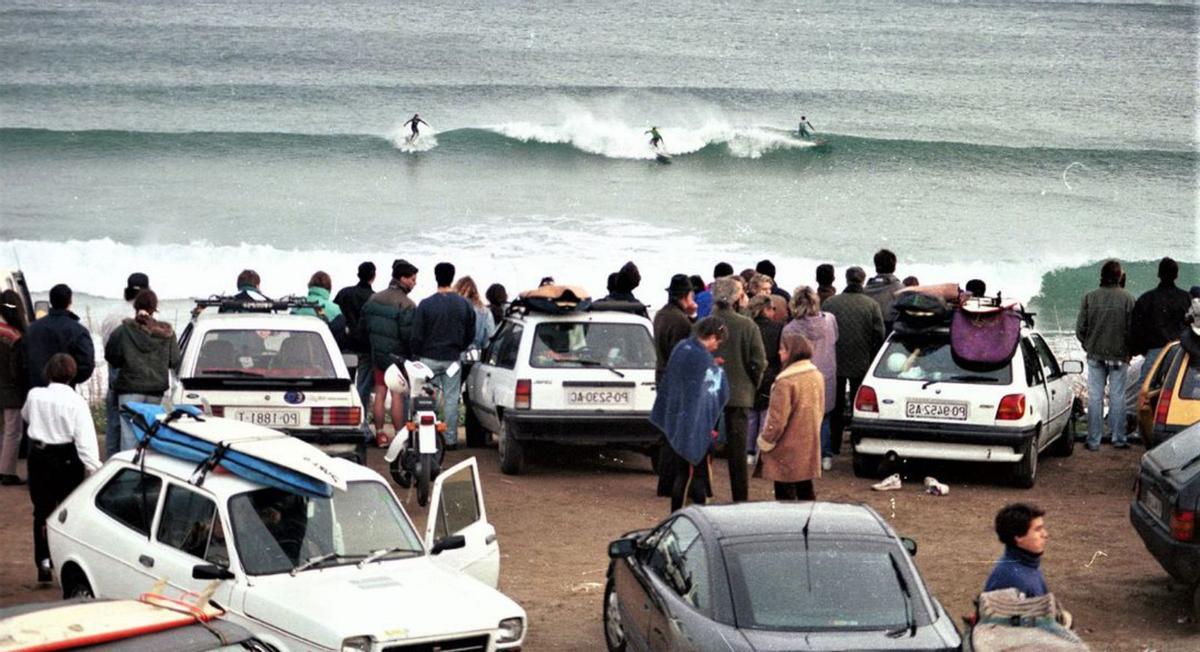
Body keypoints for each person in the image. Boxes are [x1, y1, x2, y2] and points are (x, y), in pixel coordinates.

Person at [22, 354, 101, 582]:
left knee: (41, 510)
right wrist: (95, 468)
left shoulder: (35, 395)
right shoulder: (77, 402)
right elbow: (85, 440)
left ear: (48, 371)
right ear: (73, 374)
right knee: (67, 512)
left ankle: (43, 562)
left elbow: (25, 415)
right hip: (67, 457)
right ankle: (65, 559)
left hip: (39, 455)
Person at [650, 317, 730, 512]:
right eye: (717, 342)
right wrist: (715, 368)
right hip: (694, 424)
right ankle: (695, 516)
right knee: (696, 474)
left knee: (682, 472)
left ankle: (675, 513)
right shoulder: (702, 359)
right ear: (712, 337)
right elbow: (715, 390)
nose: (716, 347)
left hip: (676, 418)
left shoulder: (682, 347)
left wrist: (711, 364)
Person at [709, 277, 766, 503]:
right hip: (740, 392)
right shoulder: (747, 325)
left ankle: (702, 491)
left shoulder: (704, 324)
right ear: (736, 297)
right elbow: (758, 361)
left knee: (703, 444)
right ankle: (739, 497)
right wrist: (753, 383)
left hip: (710, 392)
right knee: (737, 452)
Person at [104, 290, 181, 451]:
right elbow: (174, 361)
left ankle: (129, 471)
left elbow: (111, 356)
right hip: (155, 390)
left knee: (128, 437)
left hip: (129, 389)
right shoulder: (167, 334)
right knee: (149, 435)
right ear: (155, 308)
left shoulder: (123, 330)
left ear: (135, 306)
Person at [821, 267, 885, 457]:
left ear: (846, 279)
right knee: (859, 406)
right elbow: (879, 334)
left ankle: (834, 445)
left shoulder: (831, 303)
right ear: (863, 281)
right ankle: (857, 445)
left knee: (836, 405)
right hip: (861, 361)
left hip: (835, 360)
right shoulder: (871, 305)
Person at [411, 262, 476, 448]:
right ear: (452, 277)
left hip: (428, 358)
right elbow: (470, 333)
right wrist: (459, 347)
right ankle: (450, 439)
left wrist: (417, 353)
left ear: (435, 277)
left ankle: (423, 435)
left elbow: (416, 335)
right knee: (451, 398)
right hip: (452, 359)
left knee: (424, 396)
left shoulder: (425, 304)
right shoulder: (464, 304)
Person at [1075, 259, 1135, 451]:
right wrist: (1129, 351)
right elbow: (1132, 330)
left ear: (1102, 276)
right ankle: (1118, 438)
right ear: (1119, 276)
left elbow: (1080, 329)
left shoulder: (1089, 297)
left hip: (1095, 353)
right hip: (1119, 354)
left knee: (1095, 396)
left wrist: (1088, 345)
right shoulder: (1128, 299)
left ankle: (1093, 441)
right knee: (1117, 396)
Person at [757, 330, 823, 500]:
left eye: (783, 349)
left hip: (786, 446)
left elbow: (777, 420)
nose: (779, 352)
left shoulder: (785, 382)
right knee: (805, 491)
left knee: (785, 495)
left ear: (792, 352)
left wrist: (766, 440)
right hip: (808, 441)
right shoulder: (816, 376)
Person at [361, 259, 419, 446]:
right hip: (397, 357)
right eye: (412, 279)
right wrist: (411, 356)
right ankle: (399, 436)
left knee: (379, 393)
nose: (414, 283)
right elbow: (408, 335)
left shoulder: (374, 298)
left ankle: (379, 434)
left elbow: (363, 326)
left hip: (377, 354)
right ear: (402, 278)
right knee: (396, 395)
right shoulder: (407, 304)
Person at [783, 286, 839, 470]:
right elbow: (835, 339)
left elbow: (786, 355)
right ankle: (825, 455)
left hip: (800, 376)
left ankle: (804, 456)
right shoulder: (830, 320)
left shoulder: (790, 329)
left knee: (799, 418)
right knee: (824, 417)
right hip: (826, 375)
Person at [653, 274, 698, 496]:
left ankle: (664, 484)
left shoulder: (661, 315)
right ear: (685, 296)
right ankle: (671, 486)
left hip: (662, 378)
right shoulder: (680, 322)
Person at [100, 273, 148, 460]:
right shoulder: (142, 317)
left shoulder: (112, 313)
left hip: (114, 369)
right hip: (135, 372)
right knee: (133, 424)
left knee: (114, 421)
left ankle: (110, 464)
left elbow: (107, 346)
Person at [1132, 257, 1190, 386]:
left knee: (1145, 389)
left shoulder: (1146, 299)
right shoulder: (1186, 298)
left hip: (1155, 351)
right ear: (1176, 275)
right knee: (1177, 387)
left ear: (1159, 274)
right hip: (1179, 350)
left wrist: (1140, 350)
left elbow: (1136, 328)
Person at [24, 284, 94, 389]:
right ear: (70, 302)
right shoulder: (78, 330)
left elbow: (21, 361)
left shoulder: (31, 328)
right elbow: (87, 364)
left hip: (34, 390)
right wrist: (69, 379)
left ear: (51, 301)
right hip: (65, 391)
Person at [334, 262, 377, 408]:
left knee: (345, 383)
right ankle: (361, 415)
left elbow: (335, 316)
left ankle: (344, 411)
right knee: (363, 385)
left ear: (358, 274)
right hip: (366, 346)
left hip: (345, 344)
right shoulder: (374, 298)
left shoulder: (344, 293)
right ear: (373, 276)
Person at [984, 503, 1050, 598]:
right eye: (1038, 529)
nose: (1045, 534)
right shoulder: (1011, 580)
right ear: (1019, 536)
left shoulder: (1028, 564)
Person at [747, 294, 783, 459]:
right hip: (771, 373)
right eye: (772, 309)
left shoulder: (747, 327)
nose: (774, 312)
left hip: (749, 374)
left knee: (751, 415)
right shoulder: (778, 328)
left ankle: (748, 452)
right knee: (765, 415)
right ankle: (761, 451)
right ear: (765, 309)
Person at [0, 291, 29, 485]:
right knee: (13, 431)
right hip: (10, 390)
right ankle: (7, 472)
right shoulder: (14, 335)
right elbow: (17, 368)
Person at [293, 271, 349, 349]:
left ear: (310, 286)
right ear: (329, 288)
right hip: (322, 355)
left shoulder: (296, 307)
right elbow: (339, 341)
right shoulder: (335, 310)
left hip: (296, 349)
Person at [453, 276, 497, 366]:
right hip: (473, 358)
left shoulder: (452, 308)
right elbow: (488, 340)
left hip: (453, 357)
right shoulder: (484, 312)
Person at [864, 249, 903, 331]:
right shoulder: (900, 289)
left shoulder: (864, 291)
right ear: (894, 267)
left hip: (868, 333)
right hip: (890, 335)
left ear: (876, 266)